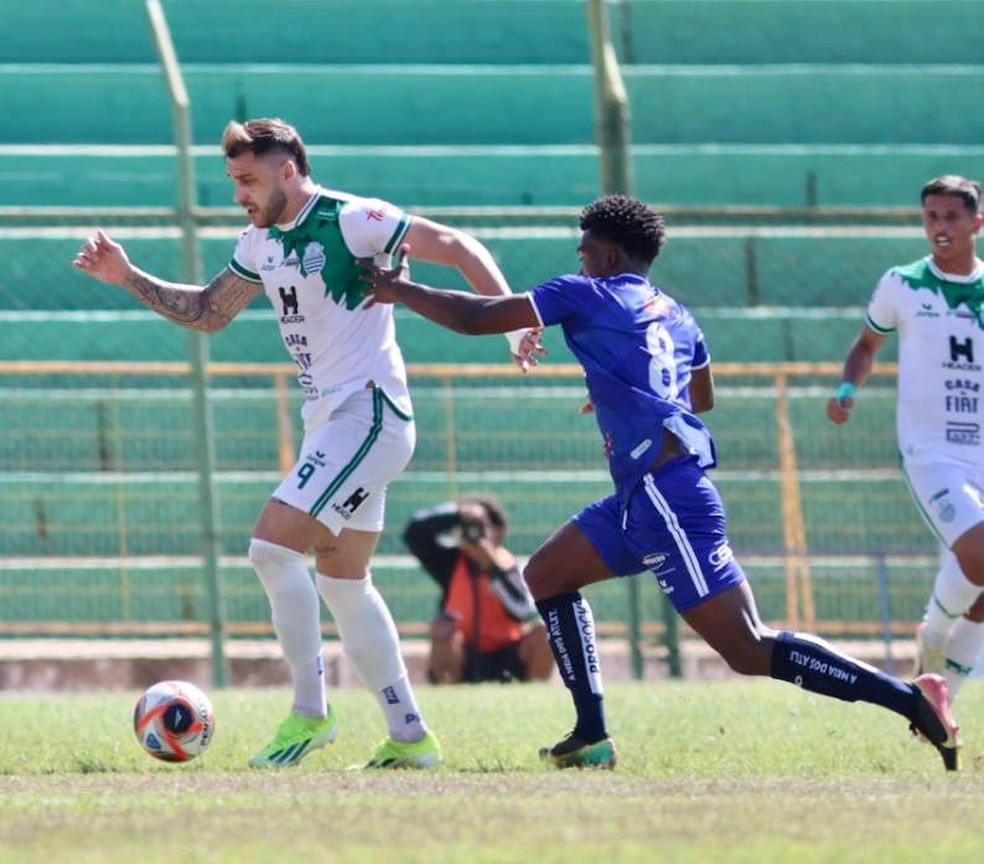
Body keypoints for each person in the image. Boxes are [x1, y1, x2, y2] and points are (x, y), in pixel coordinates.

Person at [360, 193, 962, 771]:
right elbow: (701, 395)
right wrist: (623, 387)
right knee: (546, 575)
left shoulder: (585, 293)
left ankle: (910, 699)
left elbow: (476, 317)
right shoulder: (677, 312)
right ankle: (590, 734)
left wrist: (397, 288)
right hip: (643, 493)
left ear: (610, 257)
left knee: (748, 647)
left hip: (665, 493)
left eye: (585, 252)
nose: (580, 261)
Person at [72, 116, 537, 770]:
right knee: (345, 583)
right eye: (233, 181)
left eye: (248, 179)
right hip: (334, 422)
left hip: (369, 413)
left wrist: (514, 326)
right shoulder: (261, 240)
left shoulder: (352, 218)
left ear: (287, 169)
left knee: (269, 547)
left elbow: (456, 245)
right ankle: (411, 737)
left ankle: (310, 713)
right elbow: (210, 311)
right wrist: (126, 275)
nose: (238, 193)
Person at [827, 174, 984, 706]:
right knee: (980, 555)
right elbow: (866, 344)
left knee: (983, 592)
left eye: (951, 218)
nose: (939, 227)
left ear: (976, 224)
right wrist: (848, 388)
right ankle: (933, 633)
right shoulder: (903, 284)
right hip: (932, 453)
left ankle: (932, 711)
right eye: (931, 217)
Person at [403, 494, 555, 684]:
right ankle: (447, 691)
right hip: (464, 654)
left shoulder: (512, 565)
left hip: (508, 651)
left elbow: (524, 612)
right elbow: (415, 533)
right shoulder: (450, 563)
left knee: (545, 630)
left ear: (498, 531)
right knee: (442, 629)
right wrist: (458, 513)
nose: (476, 532)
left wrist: (492, 567)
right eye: (471, 526)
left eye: (483, 526)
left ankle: (535, 691)